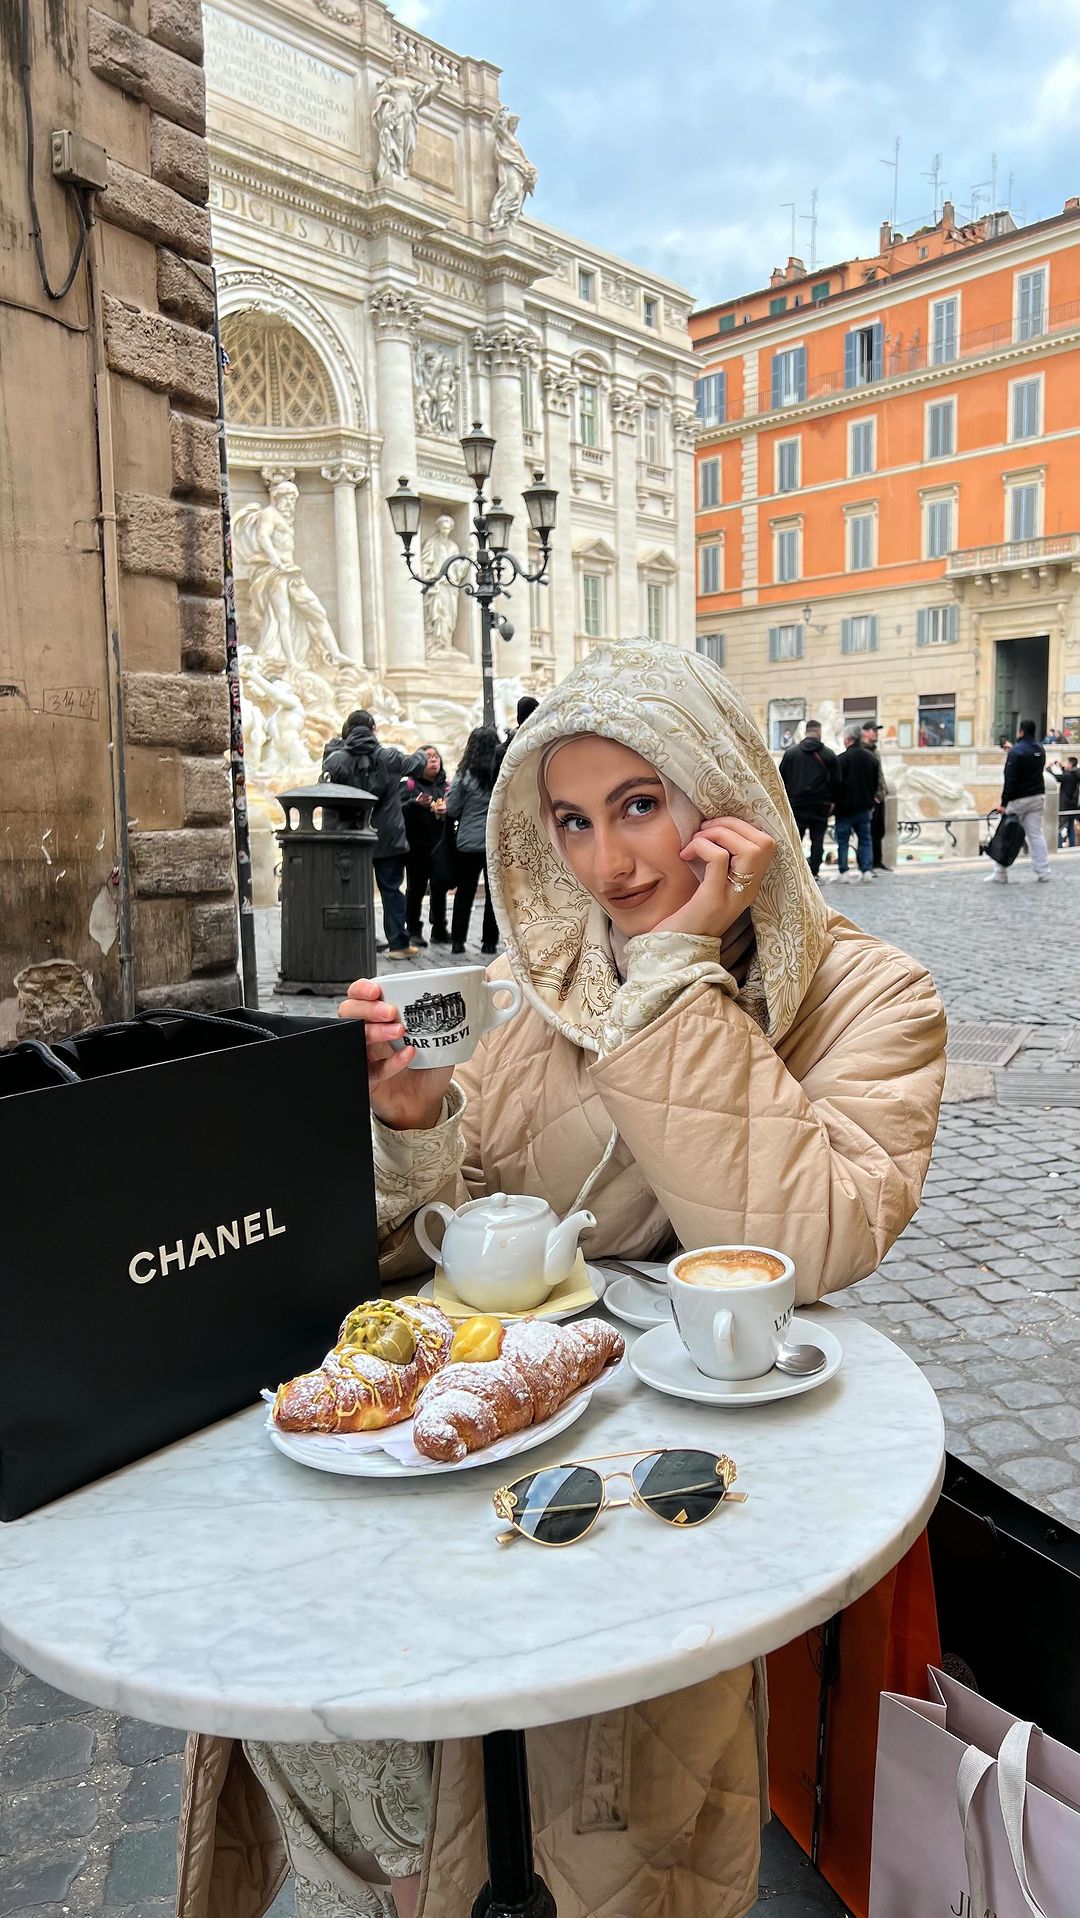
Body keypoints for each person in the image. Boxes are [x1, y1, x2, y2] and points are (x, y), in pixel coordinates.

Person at [178, 639, 947, 1918]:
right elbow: (445, 1247)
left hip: (670, 1508)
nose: (610, 864)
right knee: (402, 1783)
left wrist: (676, 982)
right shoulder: (536, 993)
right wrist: (412, 1125)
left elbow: (807, 1237)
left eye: (640, 805)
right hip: (478, 1470)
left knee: (605, 1830)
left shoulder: (872, 998)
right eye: (573, 822)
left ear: (726, 794)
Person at [323, 711, 439, 957]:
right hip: (387, 837)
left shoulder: (336, 760)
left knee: (353, 891)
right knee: (391, 890)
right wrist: (423, 754)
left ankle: (358, 941)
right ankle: (398, 944)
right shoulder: (389, 757)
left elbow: (325, 796)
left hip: (352, 837)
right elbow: (417, 763)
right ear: (373, 728)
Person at [446, 725, 502, 955]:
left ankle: (458, 941)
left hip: (468, 842)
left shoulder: (464, 775)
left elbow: (452, 808)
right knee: (493, 894)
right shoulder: (502, 774)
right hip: (494, 841)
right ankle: (489, 942)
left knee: (464, 892)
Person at [987, 719, 1052, 884]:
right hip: (1038, 796)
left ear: (1020, 731)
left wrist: (1003, 803)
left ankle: (1000, 873)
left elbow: (1010, 780)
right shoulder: (1040, 749)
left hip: (1019, 800)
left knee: (1006, 834)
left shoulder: (1016, 752)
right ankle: (1044, 871)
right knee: (1036, 835)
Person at [777, 719, 837, 878]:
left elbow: (780, 779)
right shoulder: (829, 754)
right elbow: (837, 781)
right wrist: (832, 801)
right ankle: (814, 872)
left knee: (795, 840)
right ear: (819, 732)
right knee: (818, 840)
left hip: (796, 804)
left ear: (806, 732)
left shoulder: (791, 754)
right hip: (820, 804)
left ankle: (794, 873)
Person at [403, 747, 449, 946]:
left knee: (440, 886)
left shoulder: (446, 786)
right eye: (428, 757)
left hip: (440, 846)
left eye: (436, 756)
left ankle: (439, 928)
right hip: (416, 847)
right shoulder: (409, 785)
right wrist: (415, 803)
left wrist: (448, 808)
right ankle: (413, 930)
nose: (433, 761)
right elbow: (399, 810)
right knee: (416, 889)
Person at [833, 727, 880, 881]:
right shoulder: (872, 759)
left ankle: (843, 871)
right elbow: (875, 784)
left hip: (844, 809)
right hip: (864, 807)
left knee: (843, 842)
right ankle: (866, 870)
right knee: (865, 840)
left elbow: (836, 785)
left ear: (848, 740)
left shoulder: (841, 759)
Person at [861, 722, 889, 870]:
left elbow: (879, 775)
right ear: (865, 732)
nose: (876, 733)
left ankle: (877, 861)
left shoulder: (874, 750)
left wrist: (882, 792)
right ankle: (867, 863)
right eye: (873, 730)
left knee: (879, 830)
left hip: (880, 796)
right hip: (870, 798)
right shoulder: (862, 751)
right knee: (868, 832)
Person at [1051, 755, 1079, 848]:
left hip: (1065, 806)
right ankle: (1072, 846)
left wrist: (1049, 767)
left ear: (1070, 765)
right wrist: (1061, 767)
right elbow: (1067, 775)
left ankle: (1059, 846)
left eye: (1066, 763)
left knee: (1061, 827)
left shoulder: (1068, 775)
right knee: (1070, 826)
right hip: (1073, 806)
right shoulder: (1075, 774)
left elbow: (1054, 777)